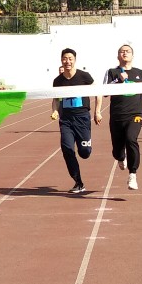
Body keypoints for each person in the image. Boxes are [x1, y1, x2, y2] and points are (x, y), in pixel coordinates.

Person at [104, 43, 142, 190]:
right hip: (117, 115)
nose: (125, 53)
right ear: (118, 55)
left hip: (135, 114)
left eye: (128, 51)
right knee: (117, 149)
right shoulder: (112, 72)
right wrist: (118, 80)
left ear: (132, 55)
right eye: (122, 51)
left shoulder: (140, 73)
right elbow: (105, 91)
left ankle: (133, 174)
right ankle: (120, 157)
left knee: (131, 139)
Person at [51, 48, 101, 194]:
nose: (67, 61)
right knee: (67, 149)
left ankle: (86, 146)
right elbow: (55, 99)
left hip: (82, 118)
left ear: (75, 60)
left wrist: (97, 111)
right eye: (65, 58)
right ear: (61, 60)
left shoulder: (84, 76)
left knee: (85, 153)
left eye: (70, 58)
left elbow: (98, 92)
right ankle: (78, 182)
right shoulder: (58, 81)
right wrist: (55, 110)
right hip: (65, 120)